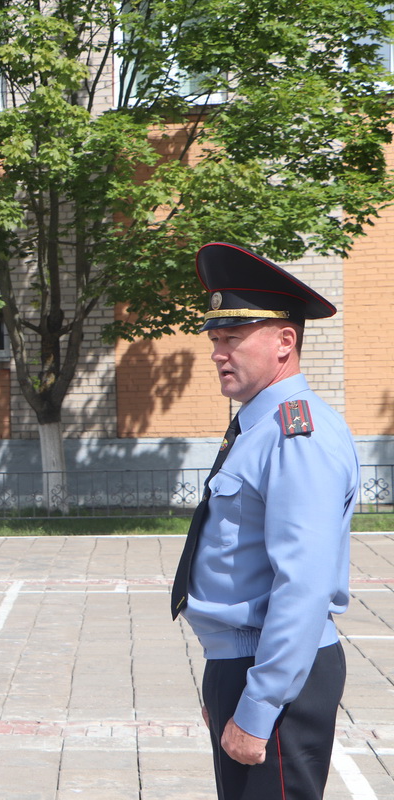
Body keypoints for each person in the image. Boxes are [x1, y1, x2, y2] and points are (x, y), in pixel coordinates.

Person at [171, 242, 358, 800]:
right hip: (242, 661)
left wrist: (257, 705)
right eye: (215, 339)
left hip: (271, 667)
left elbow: (302, 585)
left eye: (232, 338)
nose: (217, 353)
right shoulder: (261, 426)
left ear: (284, 341)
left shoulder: (295, 434)